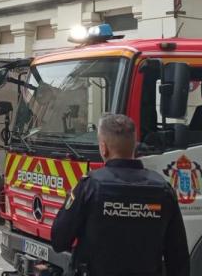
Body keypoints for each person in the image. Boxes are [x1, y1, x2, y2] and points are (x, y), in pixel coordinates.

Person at [50, 114, 189, 276]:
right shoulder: (163, 189)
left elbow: (59, 241)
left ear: (103, 147)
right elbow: (178, 257)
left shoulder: (90, 186)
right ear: (134, 146)